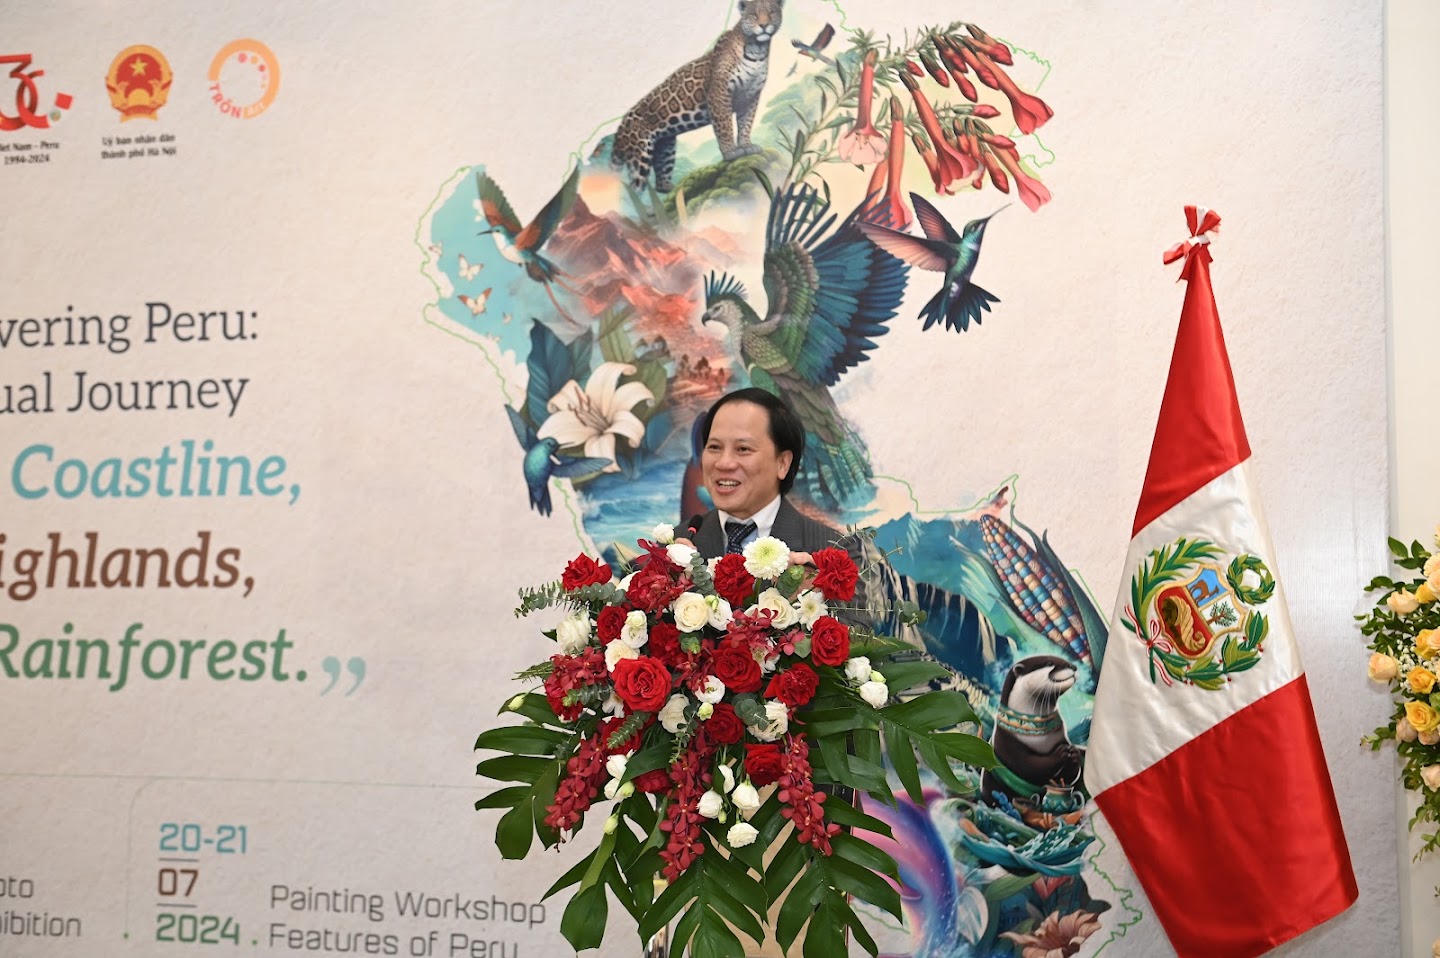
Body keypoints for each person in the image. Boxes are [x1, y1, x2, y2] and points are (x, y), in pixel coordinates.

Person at [686, 388, 852, 560]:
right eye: (714, 447)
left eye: (743, 449)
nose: (724, 463)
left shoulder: (836, 553)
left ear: (783, 463)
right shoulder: (675, 547)